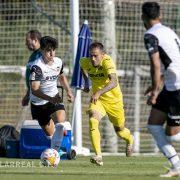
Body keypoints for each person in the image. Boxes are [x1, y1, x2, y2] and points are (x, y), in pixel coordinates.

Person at [142, 2, 180, 177]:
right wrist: (156, 84)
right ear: (160, 15)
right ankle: (176, 165)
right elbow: (172, 63)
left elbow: (156, 65)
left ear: (143, 17)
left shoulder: (150, 35)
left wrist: (156, 92)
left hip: (177, 88)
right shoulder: (168, 31)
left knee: (173, 136)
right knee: (153, 125)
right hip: (171, 85)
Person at [80, 42, 134, 166]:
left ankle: (130, 139)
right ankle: (98, 155)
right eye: (91, 56)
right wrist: (87, 83)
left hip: (114, 101)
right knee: (93, 120)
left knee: (120, 131)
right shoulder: (85, 61)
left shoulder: (107, 62)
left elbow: (114, 82)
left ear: (103, 55)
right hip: (98, 100)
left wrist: (98, 92)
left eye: (96, 56)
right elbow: (82, 68)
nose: (93, 59)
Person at [29, 36, 74, 152]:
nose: (51, 53)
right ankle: (59, 150)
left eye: (53, 50)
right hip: (38, 103)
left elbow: (61, 76)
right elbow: (35, 89)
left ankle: (55, 154)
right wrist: (49, 98)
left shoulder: (58, 62)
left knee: (60, 123)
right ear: (42, 50)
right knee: (50, 134)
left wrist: (68, 91)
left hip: (54, 97)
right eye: (48, 50)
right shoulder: (37, 67)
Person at [22, 30, 42, 107]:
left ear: (35, 40)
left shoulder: (43, 54)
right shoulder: (33, 56)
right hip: (34, 95)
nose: (26, 44)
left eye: (28, 41)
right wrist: (27, 95)